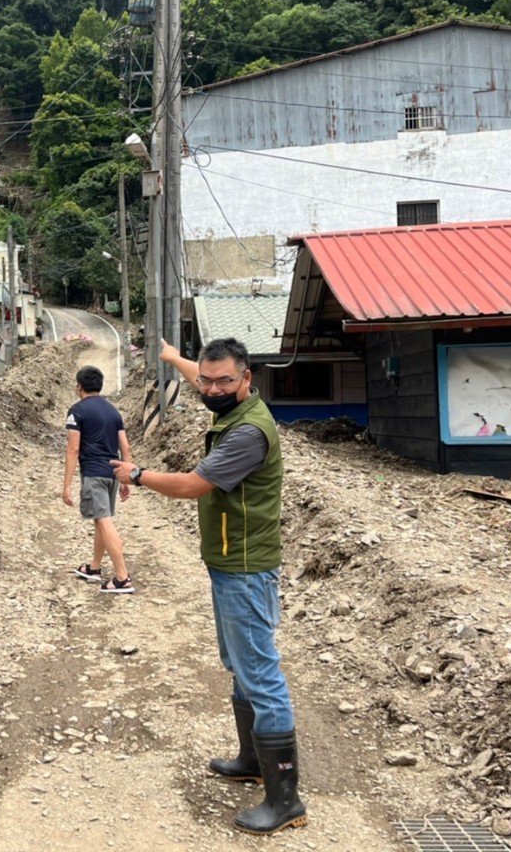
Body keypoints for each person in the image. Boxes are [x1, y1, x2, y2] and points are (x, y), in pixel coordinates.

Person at [111, 337, 307, 836]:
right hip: (228, 561)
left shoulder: (248, 433)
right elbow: (194, 370)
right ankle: (249, 758)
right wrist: (171, 354)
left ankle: (285, 800)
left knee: (260, 672)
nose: (213, 389)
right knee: (238, 664)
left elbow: (193, 485)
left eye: (224, 381)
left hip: (245, 567)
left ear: (247, 379)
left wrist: (137, 472)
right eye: (207, 380)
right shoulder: (227, 400)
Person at [63, 365, 135, 594]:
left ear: (79, 386)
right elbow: (126, 447)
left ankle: (123, 577)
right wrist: (126, 479)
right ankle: (94, 568)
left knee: (103, 520)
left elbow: (73, 449)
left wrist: (66, 486)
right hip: (113, 473)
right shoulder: (114, 412)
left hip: (93, 473)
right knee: (100, 520)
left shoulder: (77, 411)